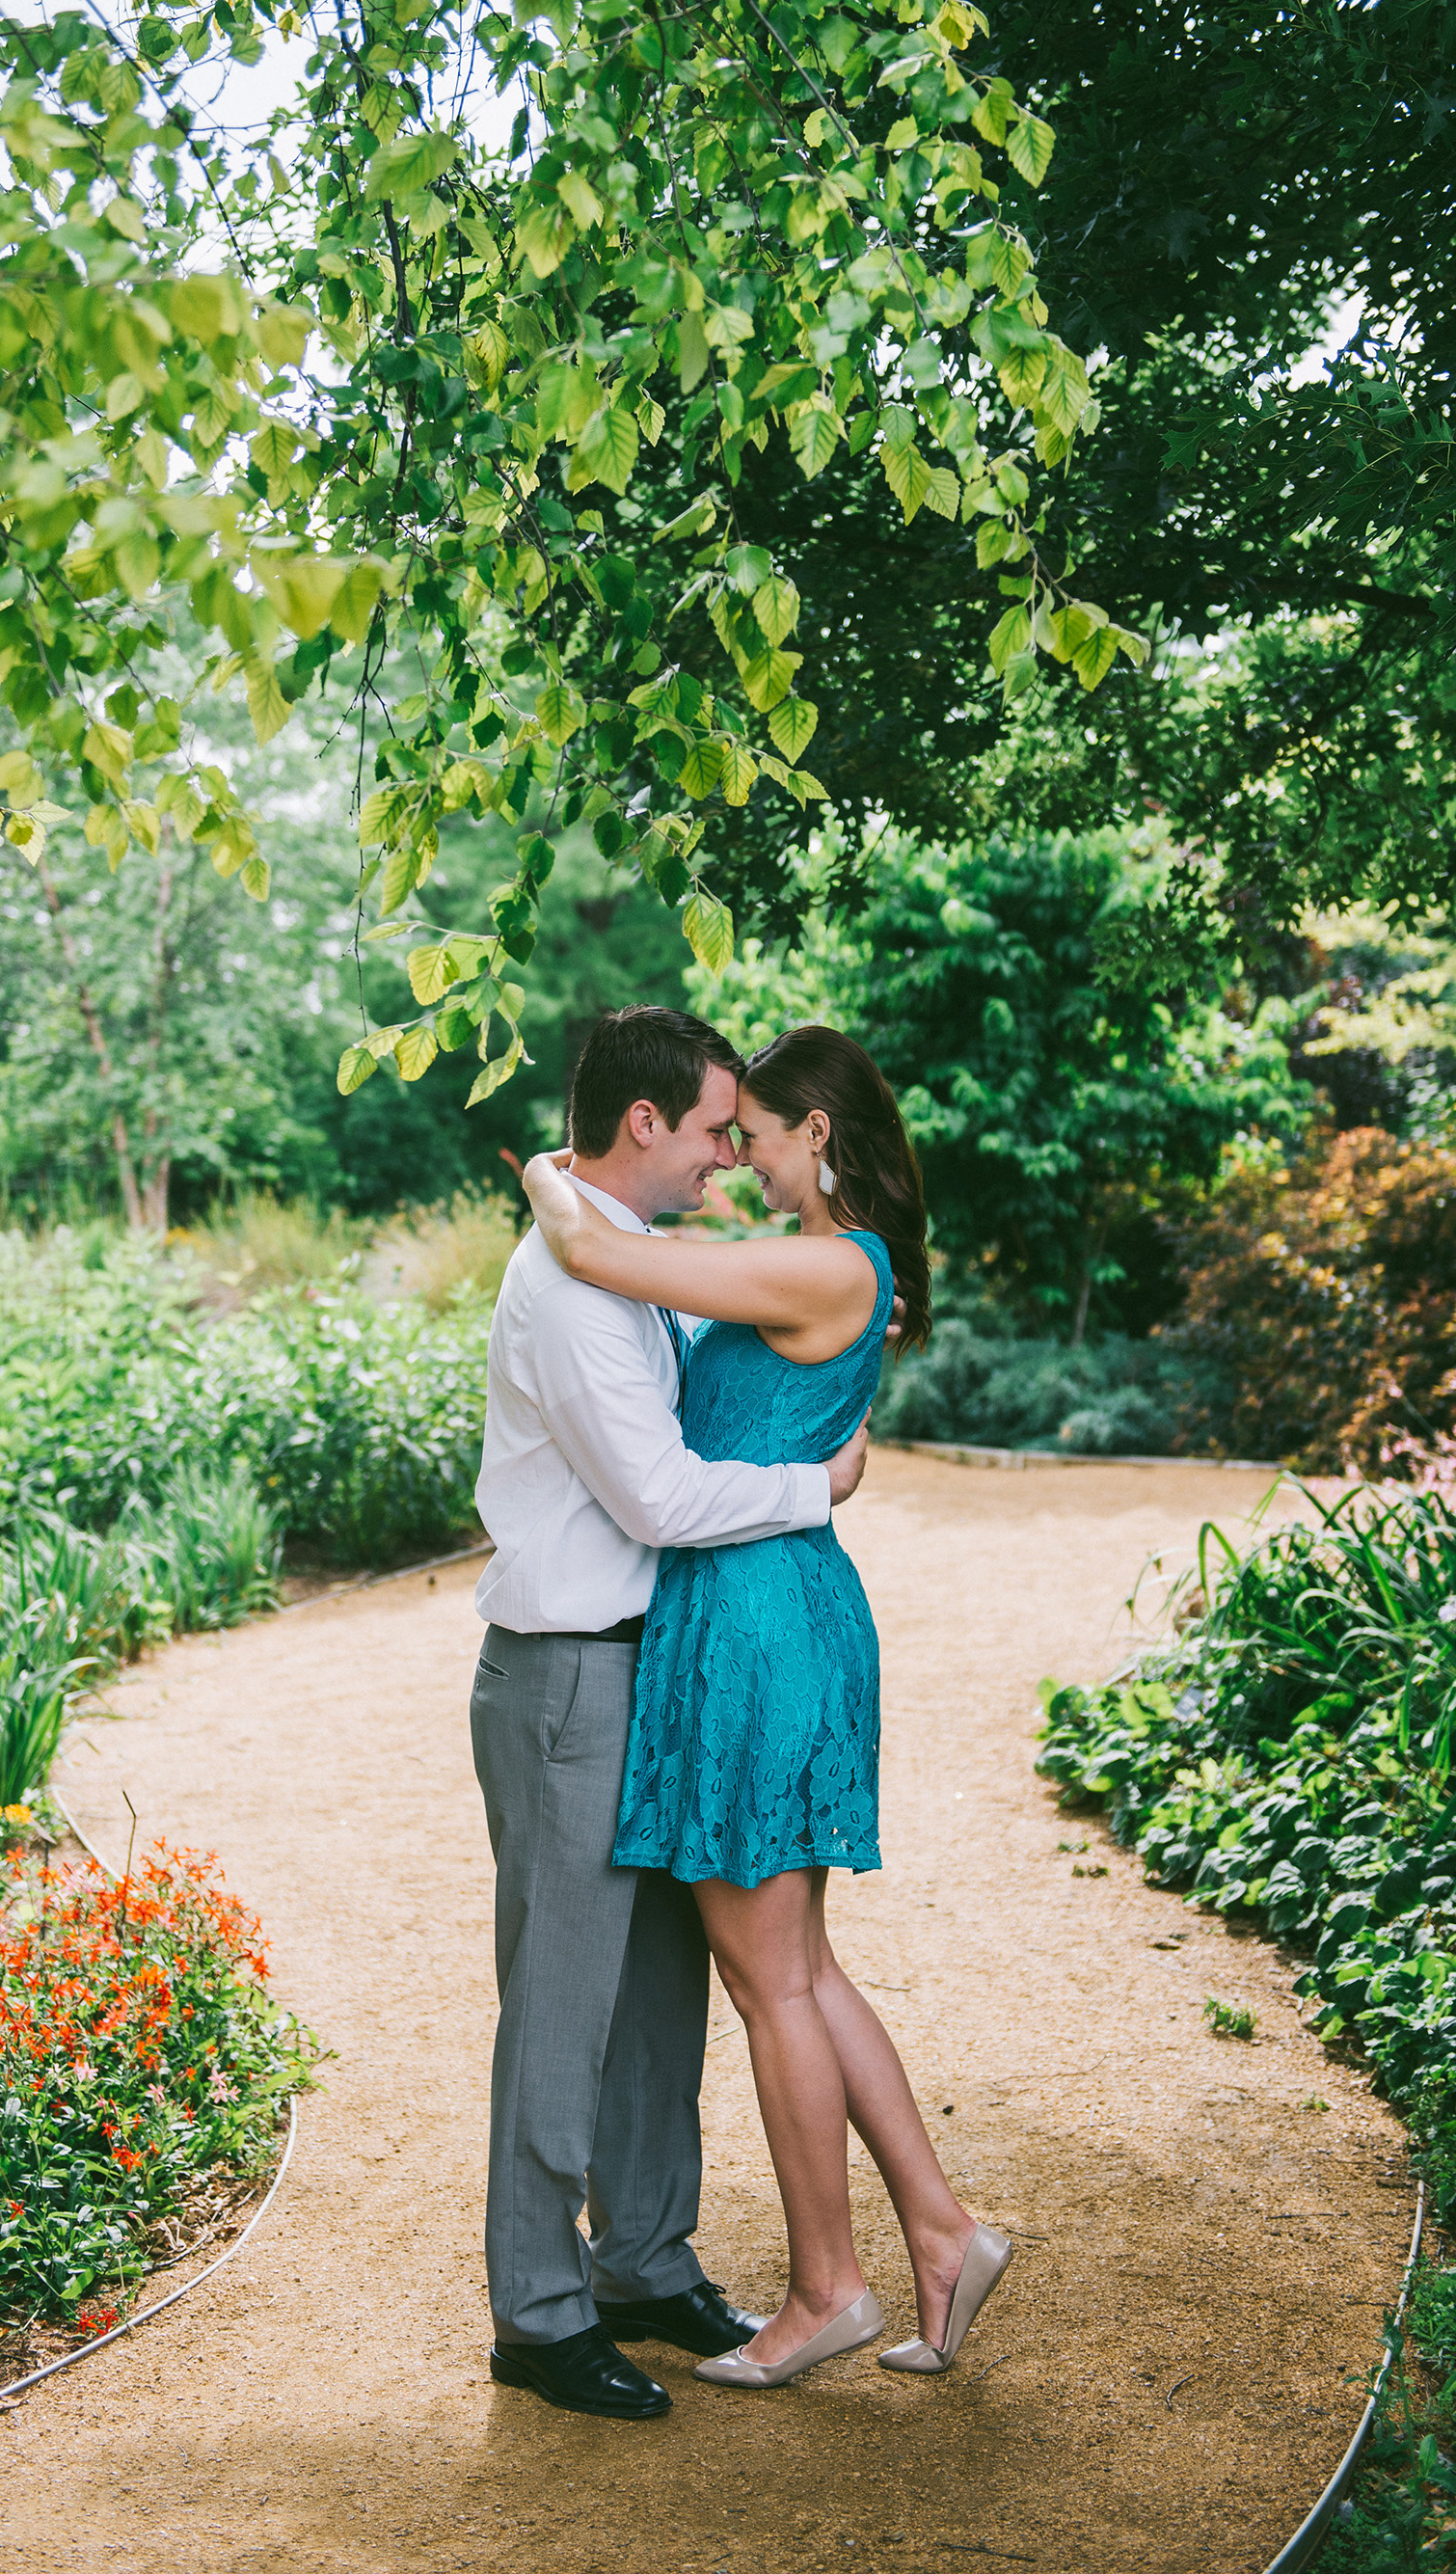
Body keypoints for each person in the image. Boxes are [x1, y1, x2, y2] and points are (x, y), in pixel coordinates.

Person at [520, 1023, 1012, 2391]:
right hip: (763, 1609)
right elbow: (706, 1338)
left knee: (770, 1982)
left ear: (820, 1137)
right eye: (722, 1136)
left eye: (759, 1133)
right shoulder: (843, 1266)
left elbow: (605, 1253)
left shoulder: (818, 1260)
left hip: (752, 1619)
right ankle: (938, 2230)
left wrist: (548, 1174)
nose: (738, 1153)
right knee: (797, 1971)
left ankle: (827, 2290)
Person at [471, 1006, 876, 2424]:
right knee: (563, 2007)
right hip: (574, 1673)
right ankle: (537, 2309)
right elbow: (658, 1498)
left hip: (663, 1669)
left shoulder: (634, 1261)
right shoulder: (576, 1288)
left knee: (659, 2001)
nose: (724, 1156)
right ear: (644, 1123)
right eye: (713, 1130)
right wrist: (812, 1488)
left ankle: (644, 2262)